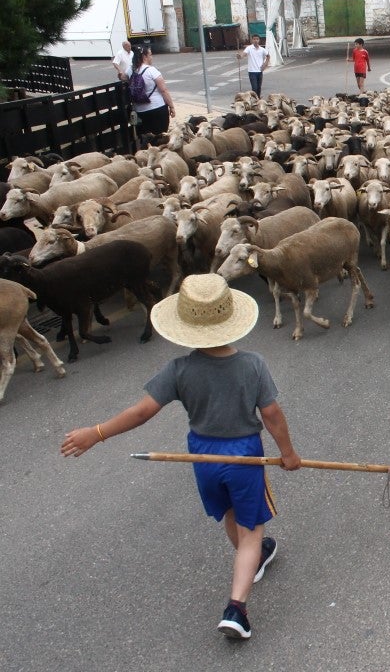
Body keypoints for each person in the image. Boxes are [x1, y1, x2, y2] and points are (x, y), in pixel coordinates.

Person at [60, 273, 301, 639]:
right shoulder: (253, 364)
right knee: (252, 530)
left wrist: (96, 434)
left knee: (231, 514)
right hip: (244, 456)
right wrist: (288, 453)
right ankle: (236, 607)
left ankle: (252, 558)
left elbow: (141, 412)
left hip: (202, 456)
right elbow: (271, 415)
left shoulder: (179, 369)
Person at [129, 45, 176, 139]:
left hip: (140, 111)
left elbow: (123, 77)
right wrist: (171, 106)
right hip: (157, 109)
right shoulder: (151, 70)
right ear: (144, 57)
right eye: (150, 55)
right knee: (160, 137)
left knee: (146, 139)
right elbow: (164, 90)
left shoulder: (131, 70)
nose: (151, 57)